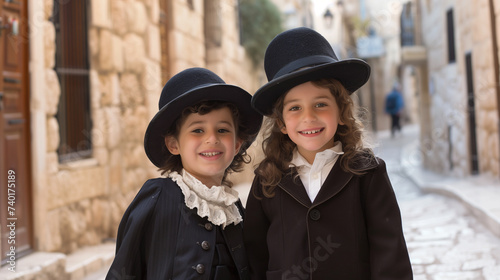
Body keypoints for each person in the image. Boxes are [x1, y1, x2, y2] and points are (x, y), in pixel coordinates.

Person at [244, 27, 413, 279]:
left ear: (341, 111)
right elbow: (255, 256)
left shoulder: (368, 173)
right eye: (295, 108)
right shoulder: (267, 180)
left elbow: (390, 252)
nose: (308, 117)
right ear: (281, 123)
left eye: (320, 104)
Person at [106, 67, 262, 280]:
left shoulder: (234, 212)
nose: (211, 139)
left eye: (222, 130)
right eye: (198, 130)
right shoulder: (158, 197)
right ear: (173, 144)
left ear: (237, 145)